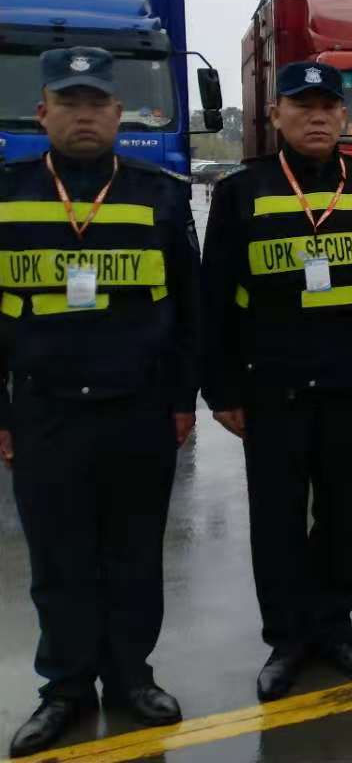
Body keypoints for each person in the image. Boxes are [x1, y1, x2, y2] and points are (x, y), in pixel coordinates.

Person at [0, 48, 200, 757]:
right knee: (58, 561)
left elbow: (187, 310)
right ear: (42, 112)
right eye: (70, 102)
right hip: (45, 412)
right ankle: (64, 689)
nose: (84, 115)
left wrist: (183, 402)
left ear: (119, 115)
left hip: (137, 410)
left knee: (134, 556)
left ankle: (130, 678)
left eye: (98, 104)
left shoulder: (161, 194)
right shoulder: (8, 191)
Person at [201, 61, 352, 702]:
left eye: (328, 106)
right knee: (278, 520)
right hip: (273, 389)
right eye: (303, 106)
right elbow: (213, 301)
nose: (316, 117)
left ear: (344, 117)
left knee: (344, 517)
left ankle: (336, 628)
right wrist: (222, 390)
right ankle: (287, 640)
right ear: (276, 117)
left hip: (351, 387)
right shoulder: (240, 193)